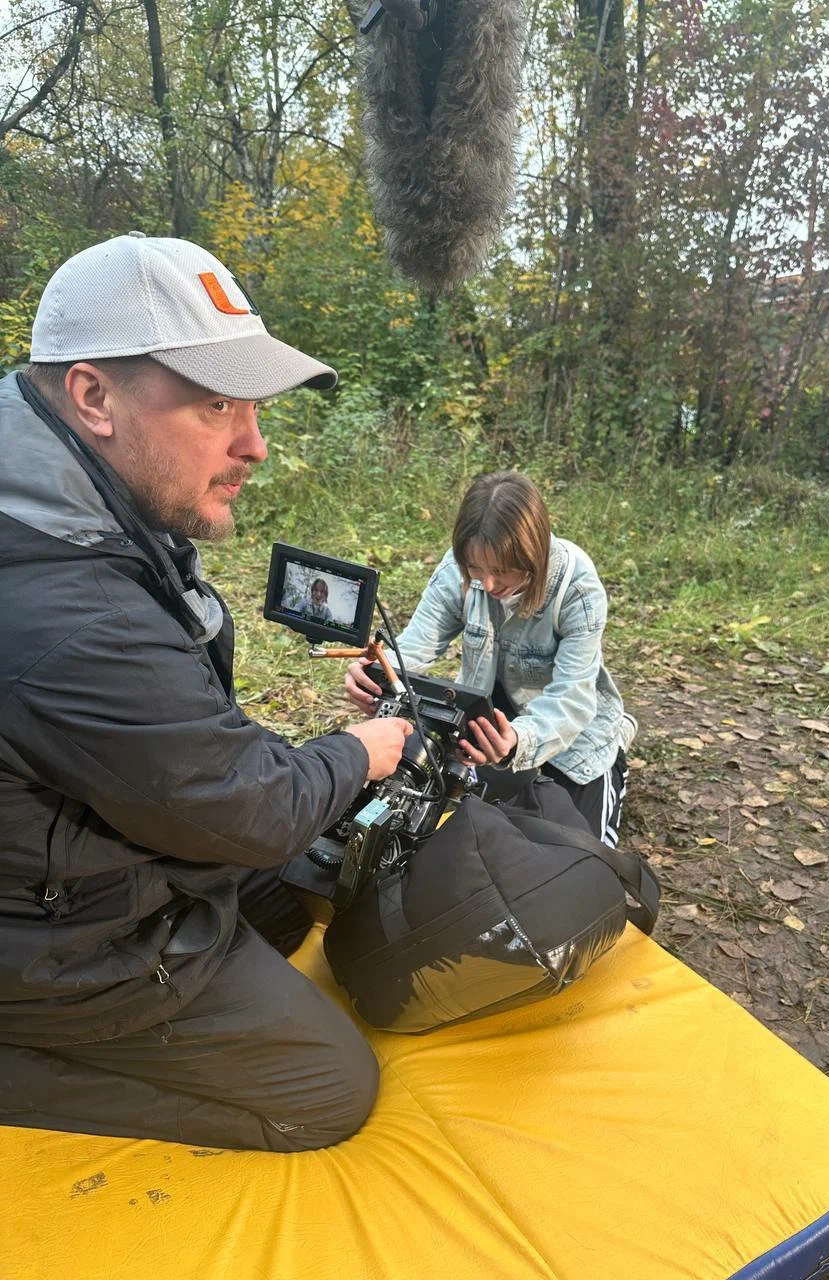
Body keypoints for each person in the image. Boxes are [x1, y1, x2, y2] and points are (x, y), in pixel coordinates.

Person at [0, 233, 414, 1152]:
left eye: (255, 407)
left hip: (47, 846)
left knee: (292, 893)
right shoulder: (66, 610)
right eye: (217, 403)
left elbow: (175, 744)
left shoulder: (59, 501)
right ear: (93, 397)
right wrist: (359, 752)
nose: (254, 446)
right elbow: (249, 811)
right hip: (40, 935)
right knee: (326, 1088)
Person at [346, 471, 636, 846]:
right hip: (491, 718)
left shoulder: (577, 590)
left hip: (575, 733)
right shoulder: (460, 569)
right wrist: (378, 673)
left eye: (501, 571)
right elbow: (414, 647)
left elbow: (572, 698)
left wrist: (518, 740)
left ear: (534, 555)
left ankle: (617, 741)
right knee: (462, 834)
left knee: (582, 855)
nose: (489, 584)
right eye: (476, 569)